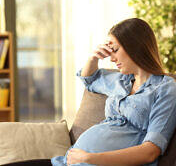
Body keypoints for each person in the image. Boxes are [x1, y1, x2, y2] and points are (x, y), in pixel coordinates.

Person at [51, 18, 176, 166]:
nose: (111, 58)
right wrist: (93, 58)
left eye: (115, 50)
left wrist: (89, 158)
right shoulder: (120, 80)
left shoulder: (165, 88)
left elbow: (150, 152)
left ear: (135, 47)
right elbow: (88, 79)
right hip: (68, 161)